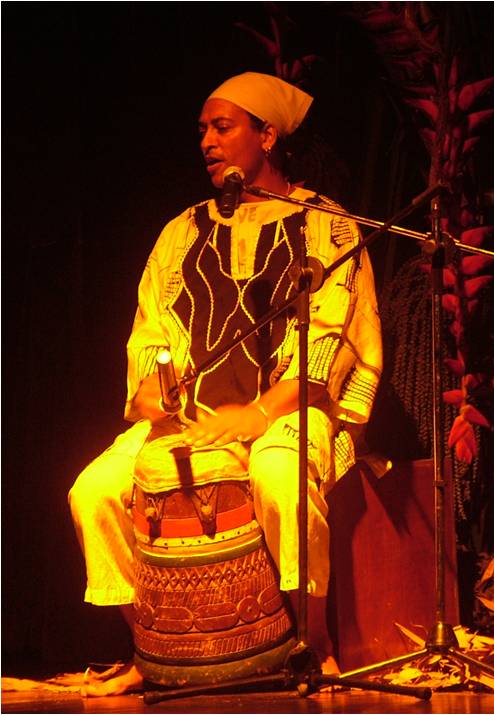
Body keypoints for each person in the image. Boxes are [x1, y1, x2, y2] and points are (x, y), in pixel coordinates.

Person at [69, 71, 382, 696]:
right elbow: (152, 331)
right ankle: (151, 651)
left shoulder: (327, 225)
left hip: (290, 411)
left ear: (267, 136)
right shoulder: (181, 231)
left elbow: (329, 342)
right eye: (202, 131)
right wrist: (154, 393)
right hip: (192, 419)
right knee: (93, 491)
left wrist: (259, 413)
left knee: (277, 475)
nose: (207, 142)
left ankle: (313, 645)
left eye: (222, 127)